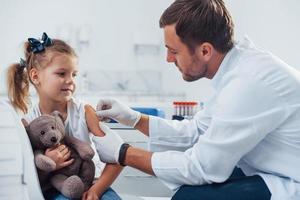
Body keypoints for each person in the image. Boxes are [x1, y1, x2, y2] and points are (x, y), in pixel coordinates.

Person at [91, 0, 300, 200]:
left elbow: (202, 167)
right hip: (274, 172)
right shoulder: (235, 70)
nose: (168, 59)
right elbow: (195, 132)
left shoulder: (249, 83)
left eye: (174, 51)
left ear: (205, 51)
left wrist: (123, 153)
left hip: (292, 183)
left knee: (190, 197)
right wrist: (133, 118)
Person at [6, 32, 122, 200]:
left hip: (93, 185)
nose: (70, 81)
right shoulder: (29, 123)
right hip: (54, 189)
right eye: (62, 74)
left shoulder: (85, 112)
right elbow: (27, 179)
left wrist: (96, 190)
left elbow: (118, 156)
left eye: (74, 74)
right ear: (35, 76)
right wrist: (49, 165)